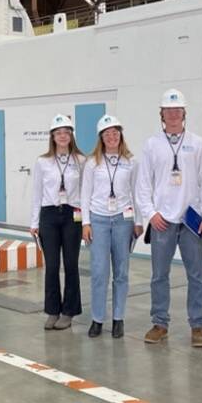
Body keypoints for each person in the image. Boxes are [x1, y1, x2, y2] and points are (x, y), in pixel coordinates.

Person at [135, 88, 202, 347]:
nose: (172, 114)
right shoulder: (152, 144)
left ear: (184, 113)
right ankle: (160, 323)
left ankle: (198, 325)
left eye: (177, 109)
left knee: (198, 275)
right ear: (162, 114)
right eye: (168, 110)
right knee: (159, 275)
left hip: (191, 221)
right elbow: (143, 184)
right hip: (163, 222)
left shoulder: (197, 143)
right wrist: (151, 214)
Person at [81, 115, 142, 339]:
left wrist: (138, 221)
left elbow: (137, 192)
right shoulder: (92, 163)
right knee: (99, 272)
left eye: (115, 132)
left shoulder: (131, 162)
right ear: (101, 138)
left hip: (123, 220)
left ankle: (118, 318)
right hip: (97, 220)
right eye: (107, 133)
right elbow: (85, 195)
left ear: (120, 135)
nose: (112, 136)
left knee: (121, 272)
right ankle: (98, 318)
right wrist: (85, 223)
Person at [30, 113, 85, 331]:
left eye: (66, 132)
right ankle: (53, 311)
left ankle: (68, 312)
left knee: (71, 265)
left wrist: (87, 221)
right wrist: (34, 222)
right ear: (52, 136)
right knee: (51, 266)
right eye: (58, 133)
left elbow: (85, 193)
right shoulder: (43, 162)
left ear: (71, 136)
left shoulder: (81, 161)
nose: (62, 136)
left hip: (73, 216)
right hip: (49, 216)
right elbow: (37, 194)